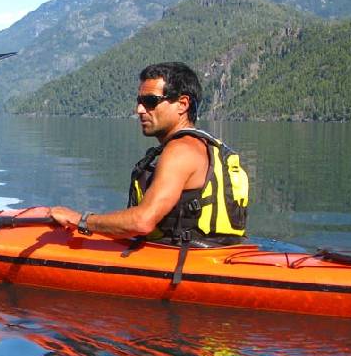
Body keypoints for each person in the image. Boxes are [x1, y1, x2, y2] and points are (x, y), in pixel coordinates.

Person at [49, 62, 248, 282]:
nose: (140, 110)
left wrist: (80, 219)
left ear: (182, 104)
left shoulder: (180, 150)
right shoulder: (206, 146)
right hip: (219, 254)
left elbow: (142, 221)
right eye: (139, 101)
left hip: (185, 263)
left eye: (150, 102)